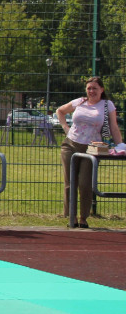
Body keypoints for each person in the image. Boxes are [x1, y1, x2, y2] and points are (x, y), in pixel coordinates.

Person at [56, 76, 123, 228]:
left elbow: (113, 127)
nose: (91, 91)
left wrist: (121, 146)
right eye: (89, 88)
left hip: (91, 148)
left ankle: (83, 217)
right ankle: (71, 216)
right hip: (71, 144)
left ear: (102, 90)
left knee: (85, 183)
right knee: (70, 182)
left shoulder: (107, 105)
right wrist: (66, 128)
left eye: (95, 88)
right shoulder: (80, 102)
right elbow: (60, 111)